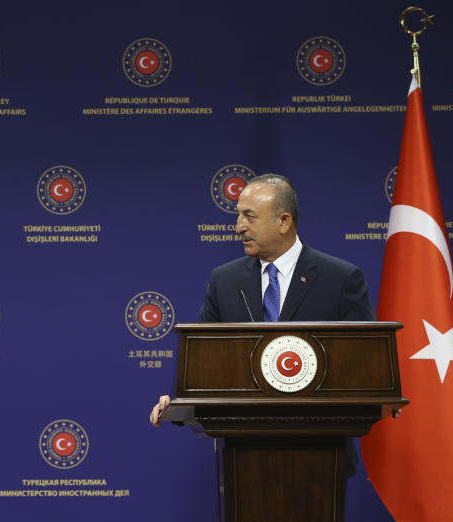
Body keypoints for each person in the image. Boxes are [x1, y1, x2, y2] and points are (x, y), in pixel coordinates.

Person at [150, 173, 374, 426]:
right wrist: (178, 399)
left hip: (322, 438)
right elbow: (203, 363)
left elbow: (364, 366)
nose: (239, 227)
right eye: (238, 215)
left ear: (284, 222)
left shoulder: (340, 279)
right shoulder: (224, 280)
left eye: (249, 216)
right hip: (242, 441)